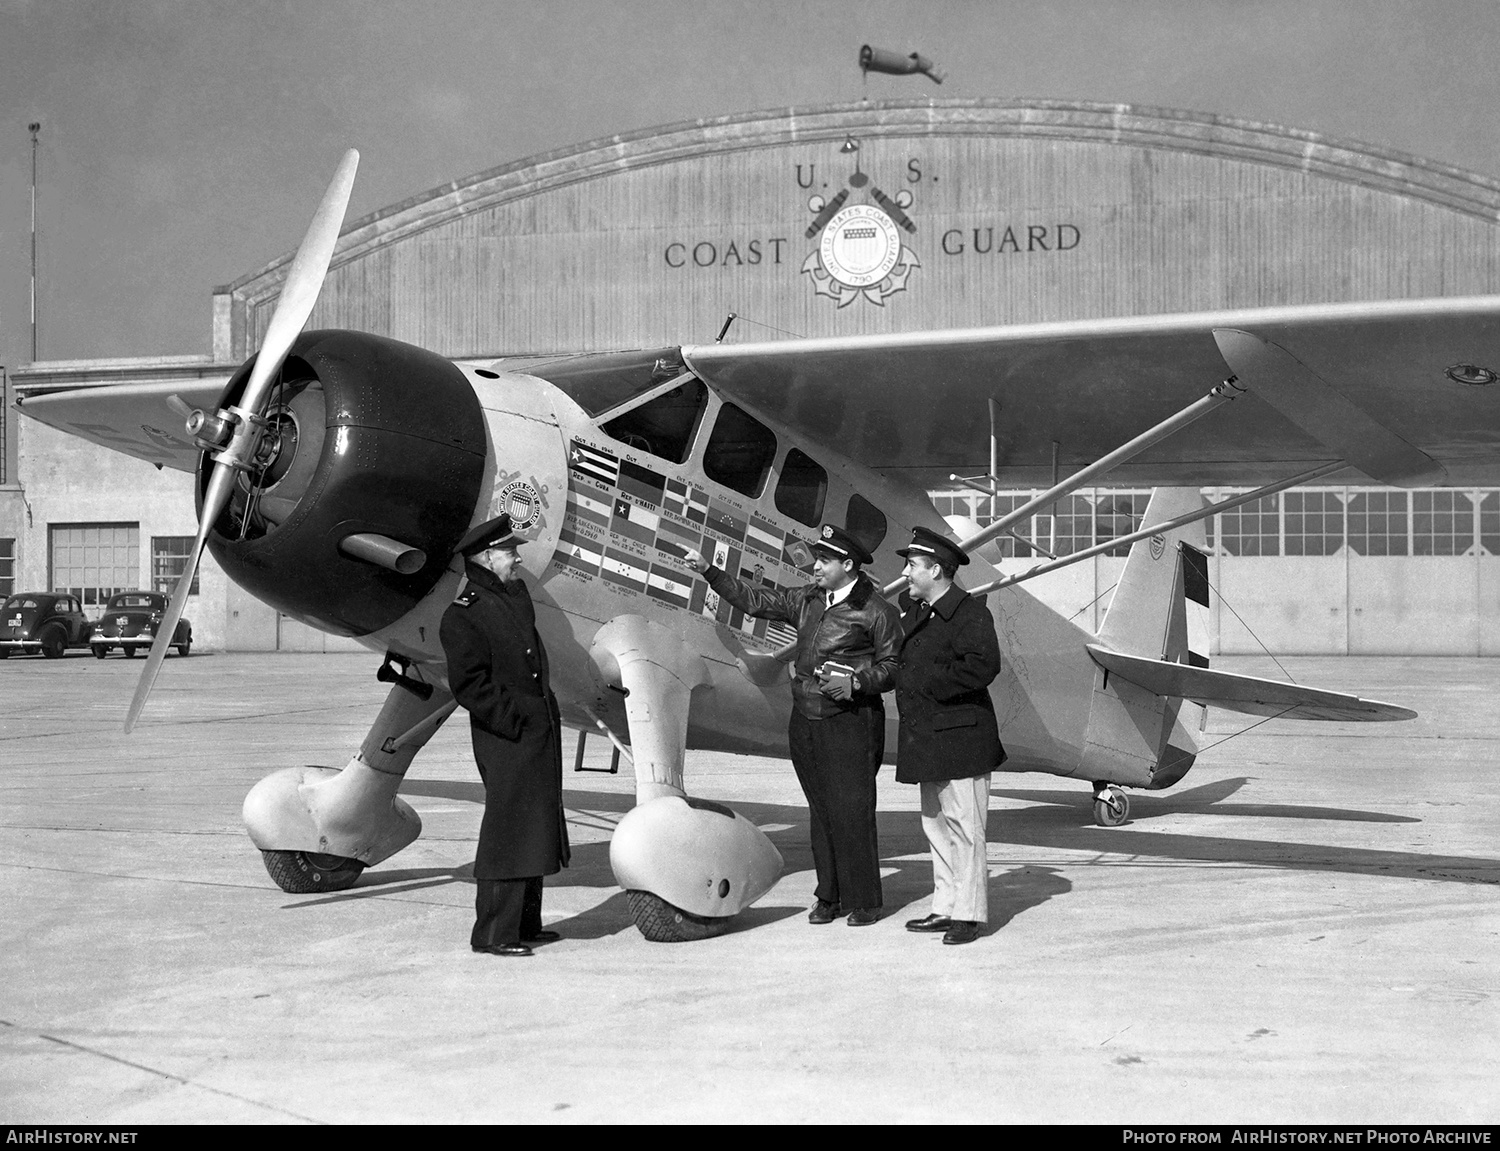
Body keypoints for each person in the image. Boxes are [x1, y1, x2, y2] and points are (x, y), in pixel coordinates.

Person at [683, 524, 901, 926]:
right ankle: (829, 897)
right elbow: (755, 600)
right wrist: (709, 572)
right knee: (820, 810)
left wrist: (856, 682)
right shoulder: (807, 599)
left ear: (847, 565)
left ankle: (865, 900)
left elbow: (892, 667)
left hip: (850, 721)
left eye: (824, 561)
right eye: (817, 559)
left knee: (851, 810)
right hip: (806, 719)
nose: (815, 567)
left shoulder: (877, 610)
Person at [441, 514, 570, 957]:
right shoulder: (465, 614)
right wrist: (514, 720)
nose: (516, 558)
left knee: (532, 827)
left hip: (535, 730)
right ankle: (494, 933)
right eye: (509, 552)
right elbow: (470, 685)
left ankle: (524, 925)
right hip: (508, 734)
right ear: (486, 557)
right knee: (507, 831)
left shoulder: (510, 597)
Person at [893, 525, 1004, 946]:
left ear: (936, 570)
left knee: (966, 829)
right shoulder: (920, 612)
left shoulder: (970, 612)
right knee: (936, 826)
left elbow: (983, 666)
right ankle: (945, 906)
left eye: (912, 565)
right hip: (928, 737)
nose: (905, 573)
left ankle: (970, 914)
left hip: (962, 738)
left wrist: (927, 682)